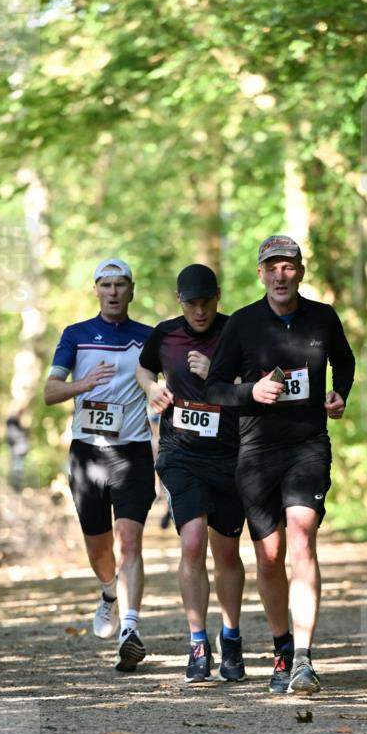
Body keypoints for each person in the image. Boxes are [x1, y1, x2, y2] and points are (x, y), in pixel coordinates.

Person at [205, 235, 355, 696]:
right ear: (261, 274)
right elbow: (214, 388)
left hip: (308, 445)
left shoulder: (323, 318)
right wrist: (250, 392)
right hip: (256, 453)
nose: (280, 275)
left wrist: (339, 393)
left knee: (302, 537)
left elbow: (345, 361)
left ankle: (305, 658)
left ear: (301, 271)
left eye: (288, 266)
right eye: (271, 268)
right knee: (270, 557)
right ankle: (282, 647)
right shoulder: (243, 323)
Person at [136, 264, 246, 684]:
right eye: (191, 303)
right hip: (181, 454)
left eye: (206, 302)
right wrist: (152, 388)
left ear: (218, 296)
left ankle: (231, 637)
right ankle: (198, 643)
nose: (199, 311)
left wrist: (216, 371)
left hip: (229, 454)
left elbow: (257, 382)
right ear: (179, 301)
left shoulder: (237, 330)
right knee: (193, 543)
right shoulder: (164, 335)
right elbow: (144, 368)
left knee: (227, 553)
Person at [44, 258, 155, 672]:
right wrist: (84, 384)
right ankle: (109, 592)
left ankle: (130, 629)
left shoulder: (149, 337)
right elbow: (50, 392)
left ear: (132, 290)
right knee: (99, 547)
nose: (113, 292)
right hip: (87, 454)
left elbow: (173, 379)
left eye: (120, 285)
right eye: (106, 285)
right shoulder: (75, 335)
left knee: (129, 542)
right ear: (96, 291)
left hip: (133, 451)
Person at [5, 413, 29, 493]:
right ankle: (16, 487)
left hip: (17, 451)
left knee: (17, 469)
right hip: (19, 451)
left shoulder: (12, 429)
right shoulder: (17, 429)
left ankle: (17, 487)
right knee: (17, 469)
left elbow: (11, 440)